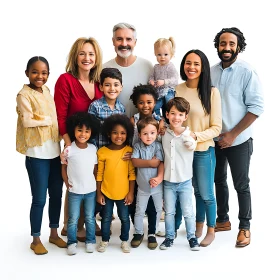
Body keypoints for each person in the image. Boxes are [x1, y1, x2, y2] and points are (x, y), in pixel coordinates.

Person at [211, 27, 264, 247]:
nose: (227, 48)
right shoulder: (211, 71)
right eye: (223, 43)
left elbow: (257, 107)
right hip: (214, 140)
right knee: (218, 180)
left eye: (231, 44)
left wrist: (232, 134)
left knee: (241, 184)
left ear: (238, 47)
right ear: (217, 46)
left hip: (239, 140)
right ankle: (223, 220)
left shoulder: (247, 72)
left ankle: (245, 227)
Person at [16, 56, 67, 255]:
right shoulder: (23, 94)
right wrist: (47, 119)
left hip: (54, 152)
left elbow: (52, 117)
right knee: (39, 198)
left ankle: (53, 233)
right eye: (35, 72)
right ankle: (36, 238)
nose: (40, 76)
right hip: (36, 155)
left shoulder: (46, 90)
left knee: (56, 194)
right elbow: (28, 121)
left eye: (44, 72)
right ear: (27, 73)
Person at [54, 37, 103, 240]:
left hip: (95, 144)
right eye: (82, 53)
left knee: (91, 180)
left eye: (91, 54)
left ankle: (88, 220)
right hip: (74, 142)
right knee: (74, 181)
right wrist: (68, 143)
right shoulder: (66, 80)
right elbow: (60, 115)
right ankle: (70, 225)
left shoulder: (99, 82)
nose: (87, 58)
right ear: (75, 56)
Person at [175, 49, 222, 247]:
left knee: (207, 193)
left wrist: (196, 135)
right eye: (188, 63)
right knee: (195, 191)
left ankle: (211, 229)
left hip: (203, 151)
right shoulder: (178, 89)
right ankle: (198, 224)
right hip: (183, 152)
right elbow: (174, 117)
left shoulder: (211, 92)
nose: (191, 67)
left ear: (203, 68)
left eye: (196, 64)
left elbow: (217, 127)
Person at [159, 97, 200, 251]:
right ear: (167, 115)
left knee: (188, 211)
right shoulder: (163, 134)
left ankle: (192, 237)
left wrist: (190, 142)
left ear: (185, 117)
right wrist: (160, 126)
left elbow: (191, 145)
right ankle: (169, 237)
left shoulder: (189, 135)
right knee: (169, 211)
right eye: (173, 114)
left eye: (181, 114)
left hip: (185, 181)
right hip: (168, 181)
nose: (177, 118)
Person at [129, 84, 165, 244]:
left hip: (155, 168)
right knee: (137, 202)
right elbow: (129, 140)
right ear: (136, 103)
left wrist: (157, 171)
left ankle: (151, 231)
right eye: (141, 102)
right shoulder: (133, 119)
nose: (145, 105)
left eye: (149, 102)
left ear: (155, 102)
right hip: (138, 163)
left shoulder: (160, 120)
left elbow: (162, 146)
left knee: (153, 205)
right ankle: (138, 231)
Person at [61, 112, 100, 255]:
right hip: (74, 191)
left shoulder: (93, 148)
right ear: (74, 131)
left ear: (91, 132)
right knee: (73, 218)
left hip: (90, 190)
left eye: (87, 131)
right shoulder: (69, 149)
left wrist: (97, 186)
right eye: (79, 130)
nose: (83, 134)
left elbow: (95, 169)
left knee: (90, 217)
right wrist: (66, 182)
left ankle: (90, 241)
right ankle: (71, 242)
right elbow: (64, 167)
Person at [96, 114, 135, 253]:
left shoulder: (129, 152)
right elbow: (99, 174)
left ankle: (124, 240)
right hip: (106, 192)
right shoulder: (102, 152)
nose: (119, 136)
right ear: (108, 133)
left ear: (128, 134)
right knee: (106, 218)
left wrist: (131, 192)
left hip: (124, 193)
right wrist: (99, 192)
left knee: (125, 218)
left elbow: (132, 174)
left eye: (123, 133)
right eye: (115, 133)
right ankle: (105, 240)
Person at [103, 22, 153, 118]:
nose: (124, 44)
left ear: (135, 42)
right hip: (114, 129)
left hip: (141, 129)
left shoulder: (148, 66)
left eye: (128, 39)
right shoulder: (104, 69)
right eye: (119, 39)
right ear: (113, 41)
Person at [88, 67, 125, 149]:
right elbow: (91, 131)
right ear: (101, 87)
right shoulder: (95, 106)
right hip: (99, 151)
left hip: (115, 152)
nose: (112, 88)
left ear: (121, 87)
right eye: (107, 85)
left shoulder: (121, 108)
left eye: (116, 85)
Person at [149, 37, 179, 116]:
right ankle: (158, 119)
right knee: (155, 106)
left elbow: (175, 79)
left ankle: (170, 120)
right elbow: (151, 77)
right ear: (155, 54)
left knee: (170, 105)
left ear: (171, 55)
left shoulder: (170, 66)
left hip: (168, 90)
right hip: (159, 92)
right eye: (159, 54)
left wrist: (164, 81)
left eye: (166, 54)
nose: (162, 57)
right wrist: (151, 81)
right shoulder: (155, 67)